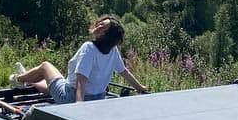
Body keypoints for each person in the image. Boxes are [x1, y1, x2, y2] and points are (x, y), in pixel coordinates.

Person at [10, 16, 147, 103]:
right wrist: (140, 88)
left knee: (45, 66)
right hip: (98, 100)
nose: (98, 26)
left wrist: (79, 106)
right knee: (57, 83)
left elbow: (81, 79)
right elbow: (124, 72)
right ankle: (29, 82)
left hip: (71, 97)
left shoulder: (89, 48)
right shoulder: (112, 50)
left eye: (102, 27)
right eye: (100, 23)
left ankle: (18, 79)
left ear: (106, 36)